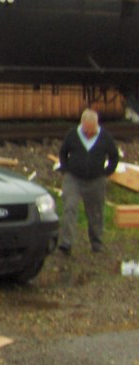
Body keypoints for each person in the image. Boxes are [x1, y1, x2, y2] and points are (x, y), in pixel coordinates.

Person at [57, 108, 120, 255]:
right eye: (87, 130)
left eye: (92, 130)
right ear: (82, 124)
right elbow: (63, 152)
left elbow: (114, 156)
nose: (89, 133)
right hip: (73, 178)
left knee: (95, 213)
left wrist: (107, 172)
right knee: (69, 208)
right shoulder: (73, 134)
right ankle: (66, 244)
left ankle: (97, 243)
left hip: (96, 180)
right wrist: (65, 168)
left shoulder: (105, 137)